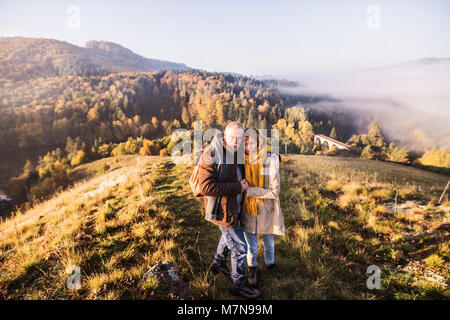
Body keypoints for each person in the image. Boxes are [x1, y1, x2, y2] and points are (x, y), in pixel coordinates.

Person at [197, 121, 261, 299]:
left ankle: (217, 264)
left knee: (228, 238)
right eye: (232, 137)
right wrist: (237, 188)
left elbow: (253, 155)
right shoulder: (211, 153)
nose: (236, 141)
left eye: (240, 138)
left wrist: (272, 157)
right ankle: (238, 284)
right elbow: (206, 187)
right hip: (222, 211)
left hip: (235, 208)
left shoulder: (236, 151)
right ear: (225, 135)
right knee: (240, 247)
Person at [240, 128, 286, 288]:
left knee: (269, 243)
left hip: (266, 208)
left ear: (259, 143)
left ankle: (270, 265)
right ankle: (252, 268)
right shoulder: (240, 162)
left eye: (252, 142)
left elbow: (275, 191)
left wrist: (250, 191)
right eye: (245, 143)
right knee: (251, 245)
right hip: (248, 208)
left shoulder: (269, 161)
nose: (248, 147)